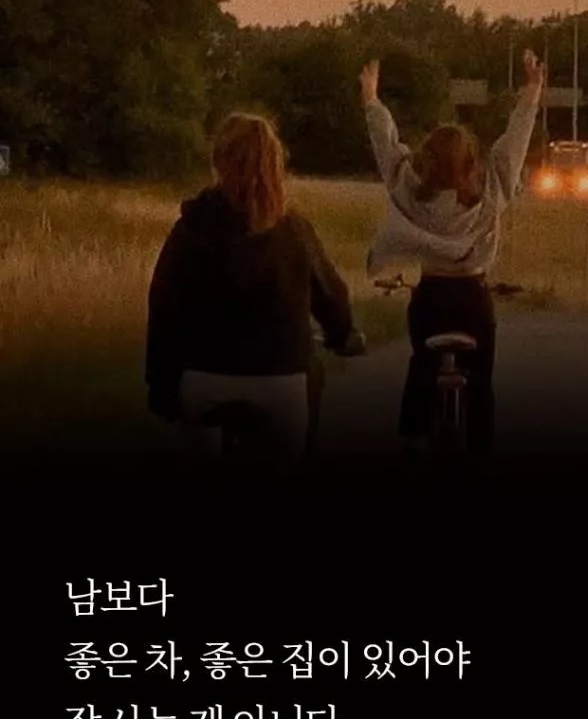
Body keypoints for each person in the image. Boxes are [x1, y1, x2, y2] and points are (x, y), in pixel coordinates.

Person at [145, 111, 366, 467]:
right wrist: (342, 335)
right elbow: (330, 296)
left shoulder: (190, 229)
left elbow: (162, 308)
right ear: (276, 163)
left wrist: (160, 385)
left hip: (202, 379)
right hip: (281, 380)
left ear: (218, 161)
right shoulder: (294, 230)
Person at [360, 48, 545, 456]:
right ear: (472, 161)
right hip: (473, 299)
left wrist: (372, 99)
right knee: (481, 383)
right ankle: (478, 452)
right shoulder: (492, 189)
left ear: (426, 159)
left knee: (421, 366)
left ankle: (412, 440)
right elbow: (515, 142)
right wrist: (532, 92)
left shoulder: (409, 189)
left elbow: (386, 146)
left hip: (430, 298)